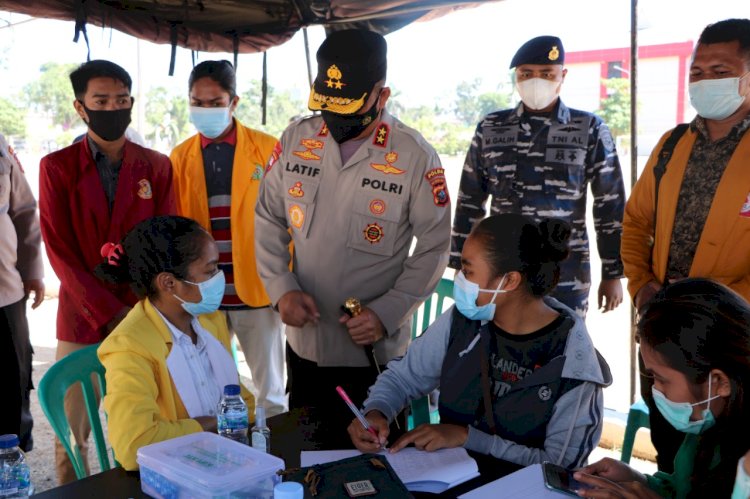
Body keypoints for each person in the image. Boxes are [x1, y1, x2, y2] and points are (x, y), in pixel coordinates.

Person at [254, 29, 451, 432]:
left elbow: (434, 247)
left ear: (382, 95)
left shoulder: (414, 156)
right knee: (309, 465)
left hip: (373, 356)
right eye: (328, 106)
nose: (336, 119)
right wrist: (281, 288)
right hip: (305, 346)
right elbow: (268, 216)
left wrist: (388, 311)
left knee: (376, 472)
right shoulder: (296, 140)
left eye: (349, 107)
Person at [348, 214, 611, 473]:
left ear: (509, 281)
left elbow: (561, 468)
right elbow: (403, 377)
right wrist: (376, 411)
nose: (460, 280)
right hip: (448, 479)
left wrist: (468, 438)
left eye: (468, 270)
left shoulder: (572, 360)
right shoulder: (464, 320)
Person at [621, 18, 750, 472]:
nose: (705, 81)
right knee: (671, 451)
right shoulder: (672, 145)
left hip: (731, 345)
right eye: (698, 72)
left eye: (721, 71)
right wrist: (641, 288)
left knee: (726, 463)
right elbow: (635, 223)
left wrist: (717, 310)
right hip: (663, 339)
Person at [39, 59, 175, 483]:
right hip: (82, 320)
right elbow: (59, 252)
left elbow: (166, 240)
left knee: (147, 429)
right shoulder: (56, 167)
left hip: (144, 316)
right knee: (71, 437)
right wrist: (109, 312)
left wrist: (140, 307)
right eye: (101, 100)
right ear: (81, 107)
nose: (112, 107)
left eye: (121, 100)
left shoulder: (156, 166)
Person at [450, 35, 626, 318]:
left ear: (562, 75)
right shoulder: (491, 128)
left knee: (563, 350)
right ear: (516, 77)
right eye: (526, 74)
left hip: (566, 272)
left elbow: (611, 205)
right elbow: (470, 199)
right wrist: (462, 262)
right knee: (499, 350)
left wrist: (612, 273)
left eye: (546, 74)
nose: (536, 81)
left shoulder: (589, 128)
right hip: (502, 272)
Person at [170, 60, 286, 416]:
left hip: (258, 291)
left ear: (234, 103)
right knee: (211, 391)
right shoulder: (179, 157)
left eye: (215, 102)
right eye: (197, 102)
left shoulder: (268, 149)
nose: (205, 110)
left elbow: (289, 221)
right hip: (204, 295)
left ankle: (278, 459)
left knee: (272, 394)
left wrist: (284, 284)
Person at [96, 215, 255, 471]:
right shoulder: (129, 345)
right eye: (210, 269)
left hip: (222, 463)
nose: (219, 277)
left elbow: (244, 403)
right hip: (175, 475)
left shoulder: (209, 321)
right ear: (169, 283)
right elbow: (133, 445)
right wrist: (209, 425)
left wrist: (219, 422)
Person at [574, 279, 750, 498]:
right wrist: (637, 480)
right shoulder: (708, 424)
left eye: (661, 379)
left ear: (720, 382)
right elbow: (683, 490)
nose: (655, 389)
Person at [0, 133, 44, 452]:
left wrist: (33, 271)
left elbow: (24, 210)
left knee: (12, 387)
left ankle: (11, 472)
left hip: (6, 294)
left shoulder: (0, 144)